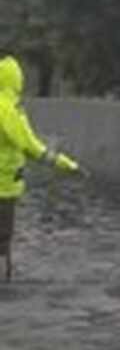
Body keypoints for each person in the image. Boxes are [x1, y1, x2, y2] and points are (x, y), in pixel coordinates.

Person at [0, 56, 83, 282]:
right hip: (3, 188)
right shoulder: (8, 110)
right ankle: (5, 282)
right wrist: (65, 163)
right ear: (15, 80)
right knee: (3, 239)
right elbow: (30, 145)